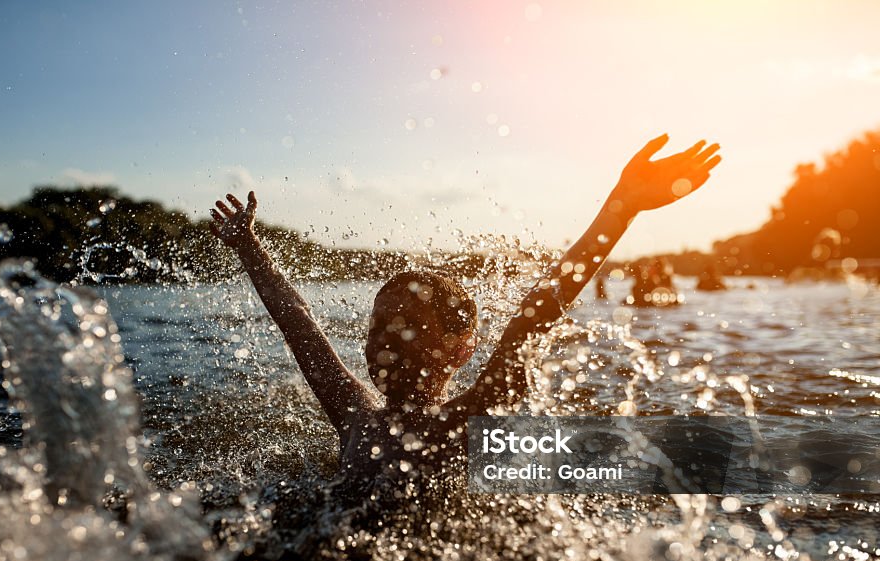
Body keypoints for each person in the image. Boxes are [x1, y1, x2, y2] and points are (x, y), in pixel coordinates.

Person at [208, 135, 721, 490]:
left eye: (405, 327)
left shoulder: (469, 421)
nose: (381, 339)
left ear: (460, 349)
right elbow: (298, 323)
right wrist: (249, 248)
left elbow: (534, 317)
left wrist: (621, 207)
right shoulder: (354, 413)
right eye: (378, 325)